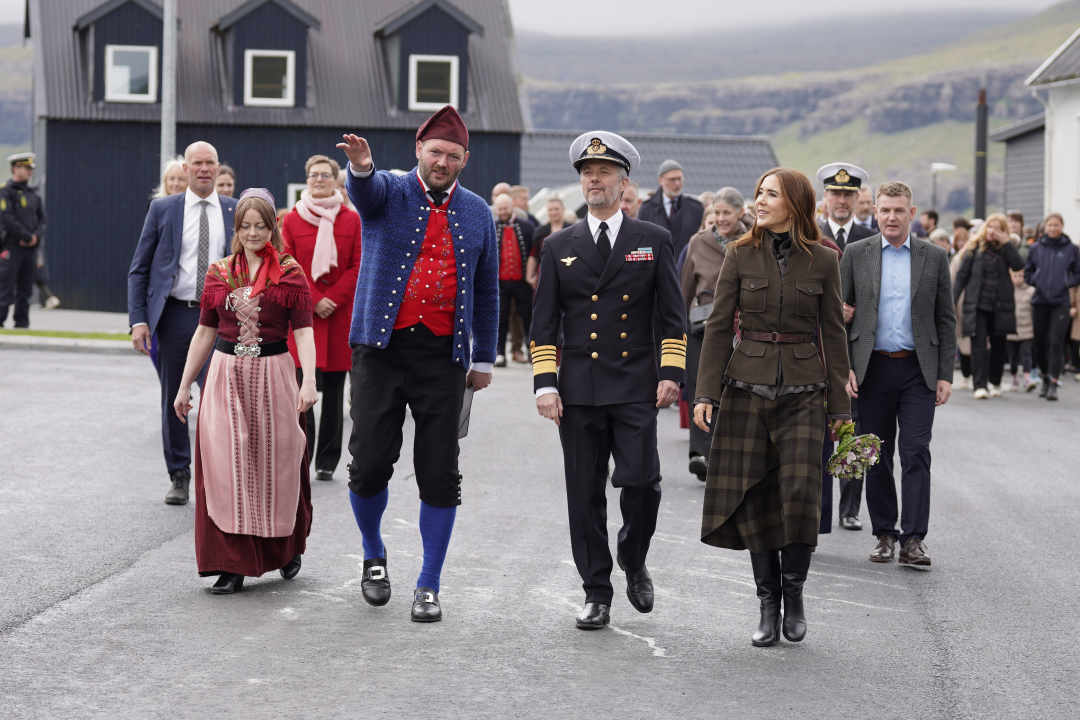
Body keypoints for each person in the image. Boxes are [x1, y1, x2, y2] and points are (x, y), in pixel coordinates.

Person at [337, 105, 498, 623]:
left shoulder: (478, 212)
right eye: (435, 152)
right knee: (368, 465)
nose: (442, 162)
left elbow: (487, 290)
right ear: (418, 151)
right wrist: (361, 167)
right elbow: (364, 193)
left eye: (452, 155)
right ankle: (373, 554)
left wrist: (483, 357)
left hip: (443, 358)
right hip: (380, 351)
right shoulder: (389, 190)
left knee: (439, 471)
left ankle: (428, 584)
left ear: (465, 160)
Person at [532, 130, 685, 631]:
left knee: (642, 483)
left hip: (636, 383)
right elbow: (543, 323)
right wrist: (545, 383)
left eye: (603, 172)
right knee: (584, 495)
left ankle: (633, 557)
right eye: (586, 173)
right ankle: (596, 591)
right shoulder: (559, 245)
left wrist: (671, 372)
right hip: (579, 388)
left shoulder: (653, 239)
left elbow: (673, 315)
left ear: (624, 184)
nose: (593, 180)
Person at [693, 167, 850, 647]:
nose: (760, 201)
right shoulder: (739, 253)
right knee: (755, 496)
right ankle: (768, 602)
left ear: (795, 204)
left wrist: (841, 409)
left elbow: (833, 334)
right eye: (759, 193)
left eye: (771, 195)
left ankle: (794, 593)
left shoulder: (824, 259)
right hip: (746, 387)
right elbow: (719, 326)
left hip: (805, 390)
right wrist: (705, 393)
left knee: (801, 493)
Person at [173, 188, 317, 594]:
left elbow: (303, 331)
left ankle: (286, 547)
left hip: (274, 373)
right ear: (236, 228)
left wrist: (309, 380)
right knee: (226, 466)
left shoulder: (290, 272)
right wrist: (184, 385)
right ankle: (231, 564)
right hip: (225, 375)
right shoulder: (218, 272)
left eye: (261, 226)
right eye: (246, 226)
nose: (253, 233)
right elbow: (205, 331)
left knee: (279, 463)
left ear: (273, 228)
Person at [840, 181, 955, 568]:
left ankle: (914, 539)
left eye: (899, 210)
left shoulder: (933, 257)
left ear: (912, 213)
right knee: (876, 454)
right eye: (885, 210)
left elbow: (946, 318)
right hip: (871, 368)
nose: (891, 217)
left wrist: (946, 373)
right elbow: (837, 316)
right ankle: (885, 534)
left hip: (918, 369)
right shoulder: (856, 254)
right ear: (875, 212)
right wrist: (845, 366)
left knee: (916, 451)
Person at [128, 141, 238, 505]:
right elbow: (139, 269)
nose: (204, 169)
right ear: (186, 169)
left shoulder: (235, 209)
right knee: (175, 397)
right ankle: (179, 474)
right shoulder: (163, 209)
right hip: (175, 315)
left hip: (222, 316)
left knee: (220, 397)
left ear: (218, 168)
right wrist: (138, 320)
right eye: (197, 163)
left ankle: (217, 476)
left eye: (210, 163)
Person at [281, 154, 363, 481]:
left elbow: (359, 265)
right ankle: (302, 454)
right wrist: (315, 300)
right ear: (307, 179)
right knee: (303, 391)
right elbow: (287, 264)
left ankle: (327, 460)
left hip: (339, 317)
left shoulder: (351, 220)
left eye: (325, 175)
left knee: (334, 395)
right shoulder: (291, 220)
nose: (319, 179)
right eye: (314, 174)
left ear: (335, 181)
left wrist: (333, 299)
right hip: (304, 318)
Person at [681, 188, 748, 482]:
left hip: (741, 330)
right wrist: (677, 332)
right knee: (702, 388)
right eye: (716, 212)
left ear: (741, 213)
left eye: (727, 213)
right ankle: (701, 454)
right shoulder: (698, 242)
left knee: (734, 391)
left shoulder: (753, 240)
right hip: (703, 330)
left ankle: (727, 454)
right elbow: (685, 289)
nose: (720, 219)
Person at [952, 213, 1025, 399]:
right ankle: (980, 385)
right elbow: (962, 277)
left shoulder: (1007, 249)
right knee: (978, 346)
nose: (993, 231)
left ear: (1004, 231)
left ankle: (995, 382)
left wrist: (1007, 243)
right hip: (977, 305)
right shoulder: (974, 247)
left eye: (998, 228)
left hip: (1000, 306)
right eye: (990, 227)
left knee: (999, 345)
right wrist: (952, 300)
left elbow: (1018, 265)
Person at [1024, 212, 1080, 400]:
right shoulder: (1036, 248)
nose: (1053, 228)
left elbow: (1078, 273)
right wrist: (1036, 281)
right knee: (1040, 344)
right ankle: (1046, 378)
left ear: (1062, 226)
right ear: (1045, 227)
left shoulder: (1071, 249)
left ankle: (1054, 382)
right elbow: (1028, 272)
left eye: (1057, 225)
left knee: (1056, 343)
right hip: (1040, 301)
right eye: (1050, 225)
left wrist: (1066, 283)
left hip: (1061, 302)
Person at [0, 153, 47, 328]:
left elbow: (43, 219)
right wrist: (26, 236)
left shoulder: (33, 194)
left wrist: (35, 237)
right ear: (15, 169)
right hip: (12, 247)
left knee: (26, 290)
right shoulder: (5, 192)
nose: (30, 172)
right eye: (26, 168)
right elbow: (6, 218)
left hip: (30, 249)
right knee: (5, 287)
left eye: (30, 169)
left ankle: (22, 324)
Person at [493, 192, 533, 367]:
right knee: (500, 318)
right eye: (500, 209)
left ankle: (532, 351)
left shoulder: (526, 226)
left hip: (522, 281)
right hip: (500, 283)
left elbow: (534, 251)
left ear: (512, 207)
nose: (503, 212)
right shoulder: (492, 226)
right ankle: (500, 353)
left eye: (505, 208)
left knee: (527, 316)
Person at [638, 159, 704, 257]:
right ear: (661, 180)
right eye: (672, 180)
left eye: (680, 179)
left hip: (685, 265)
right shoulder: (647, 208)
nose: (677, 183)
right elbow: (642, 244)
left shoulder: (696, 208)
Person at [816, 163, 876, 253]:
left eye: (848, 194)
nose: (842, 201)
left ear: (857, 197)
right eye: (836, 194)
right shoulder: (813, 237)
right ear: (826, 196)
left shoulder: (872, 239)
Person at [1006, 269, 1037, 392]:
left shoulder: (1031, 291)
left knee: (1026, 354)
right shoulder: (1007, 290)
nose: (1018, 279)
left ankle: (1027, 379)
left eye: (1020, 276)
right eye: (1015, 276)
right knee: (1013, 357)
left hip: (1027, 330)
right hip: (1010, 331)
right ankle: (1014, 378)